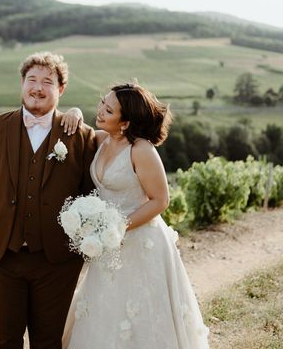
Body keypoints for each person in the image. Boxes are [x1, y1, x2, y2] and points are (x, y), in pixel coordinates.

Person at [0, 52, 97, 349]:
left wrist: (82, 243)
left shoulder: (81, 136)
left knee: (48, 341)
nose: (38, 87)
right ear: (22, 84)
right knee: (4, 339)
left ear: (61, 90)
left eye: (47, 81)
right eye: (32, 80)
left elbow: (90, 193)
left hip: (57, 260)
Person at [63, 83, 209, 349]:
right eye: (102, 103)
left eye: (109, 109)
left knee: (142, 314)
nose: (101, 111)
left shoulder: (141, 150)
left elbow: (160, 200)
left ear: (126, 122)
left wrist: (119, 226)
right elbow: (78, 129)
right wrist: (73, 110)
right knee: (105, 307)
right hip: (108, 244)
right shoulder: (101, 139)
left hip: (142, 242)